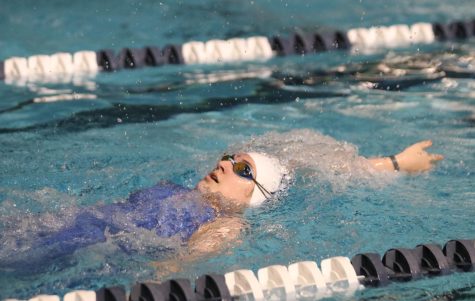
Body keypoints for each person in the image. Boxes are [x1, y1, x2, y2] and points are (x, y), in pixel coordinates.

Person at [0, 134, 443, 271]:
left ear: (255, 197)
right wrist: (392, 162)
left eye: (243, 170)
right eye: (230, 158)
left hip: (51, 254)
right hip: (38, 227)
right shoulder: (174, 189)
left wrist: (394, 165)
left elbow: (170, 272)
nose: (226, 164)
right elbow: (311, 165)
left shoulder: (225, 225)